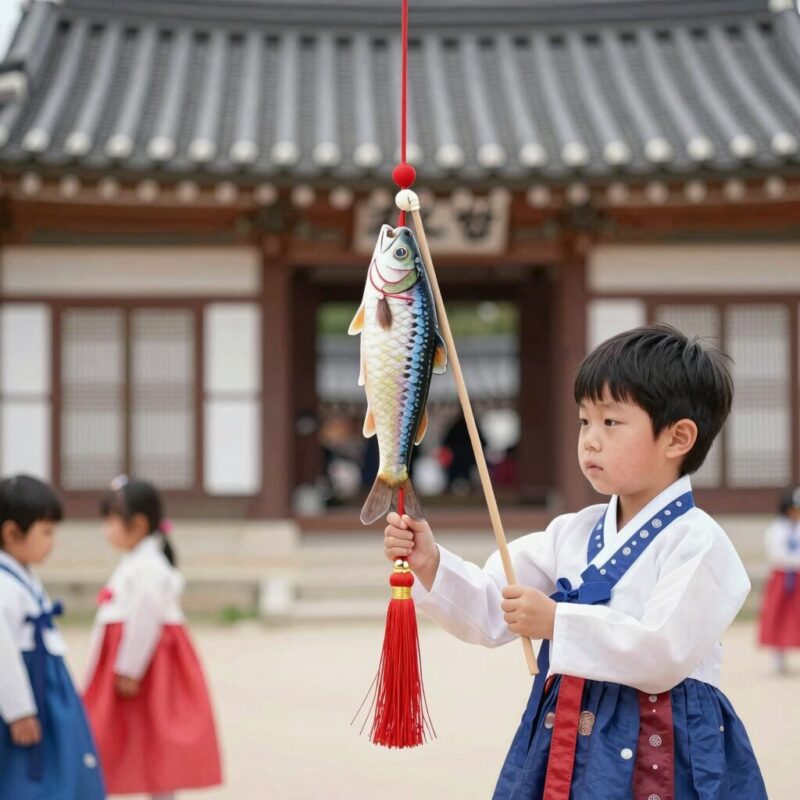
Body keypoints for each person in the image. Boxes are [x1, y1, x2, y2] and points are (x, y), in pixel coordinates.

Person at [384, 325, 767, 799]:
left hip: (663, 740)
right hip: (564, 731)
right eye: (585, 421)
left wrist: (558, 621)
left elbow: (664, 652)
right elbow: (493, 608)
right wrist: (431, 563)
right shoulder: (573, 532)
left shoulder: (699, 542)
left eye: (610, 423)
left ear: (677, 438)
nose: (589, 440)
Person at [83, 477, 222, 800]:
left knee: (156, 737)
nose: (106, 529)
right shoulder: (137, 561)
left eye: (111, 520)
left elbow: (145, 618)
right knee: (147, 737)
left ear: (139, 523)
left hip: (147, 668)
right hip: (141, 665)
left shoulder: (149, 566)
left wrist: (129, 667)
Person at [0, 474, 105, 800]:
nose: (52, 541)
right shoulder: (4, 586)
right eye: (46, 532)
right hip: (26, 689)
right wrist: (18, 710)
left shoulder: (24, 578)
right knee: (25, 775)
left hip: (46, 684)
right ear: (12, 532)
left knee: (60, 768)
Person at [758, 484, 800, 674]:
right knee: (779, 614)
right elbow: (777, 553)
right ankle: (778, 655)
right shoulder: (777, 528)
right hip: (782, 578)